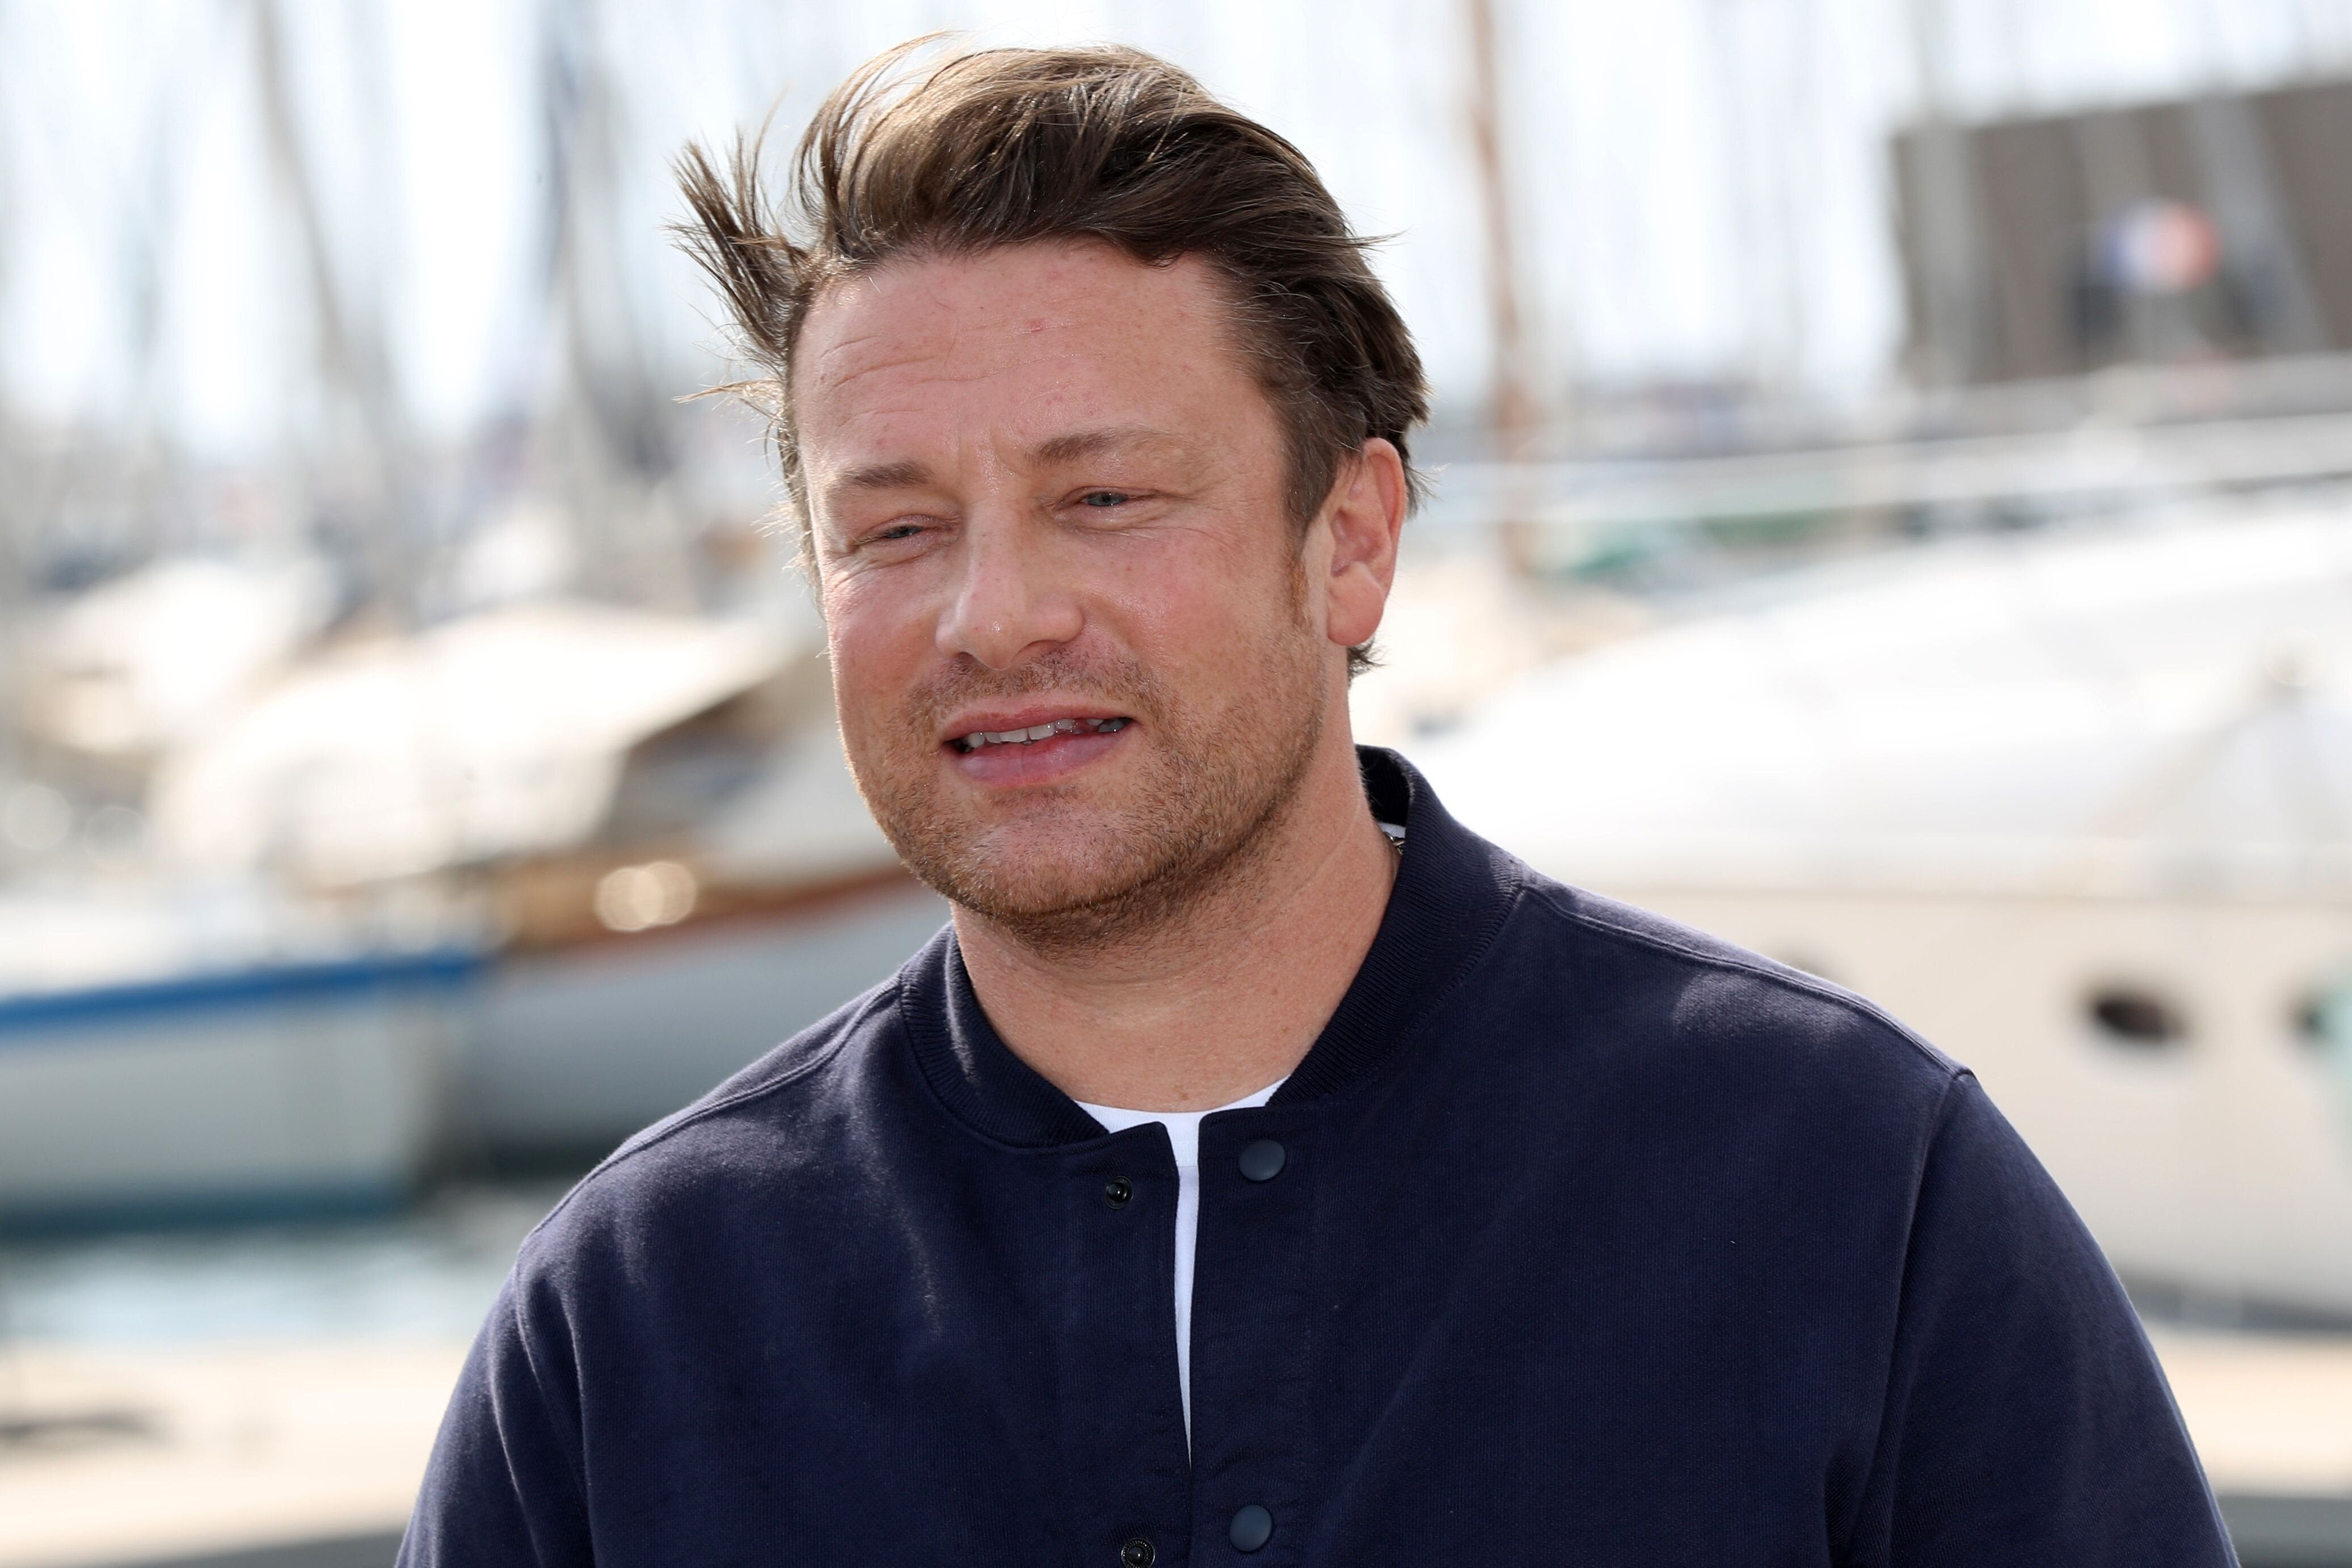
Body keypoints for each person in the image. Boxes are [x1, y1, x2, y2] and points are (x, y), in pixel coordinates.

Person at [401, 40, 2235, 1567]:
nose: (992, 614)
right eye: (891, 528)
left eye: (1105, 498)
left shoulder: (1844, 1184)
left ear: (1347, 540)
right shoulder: (632, 1320)